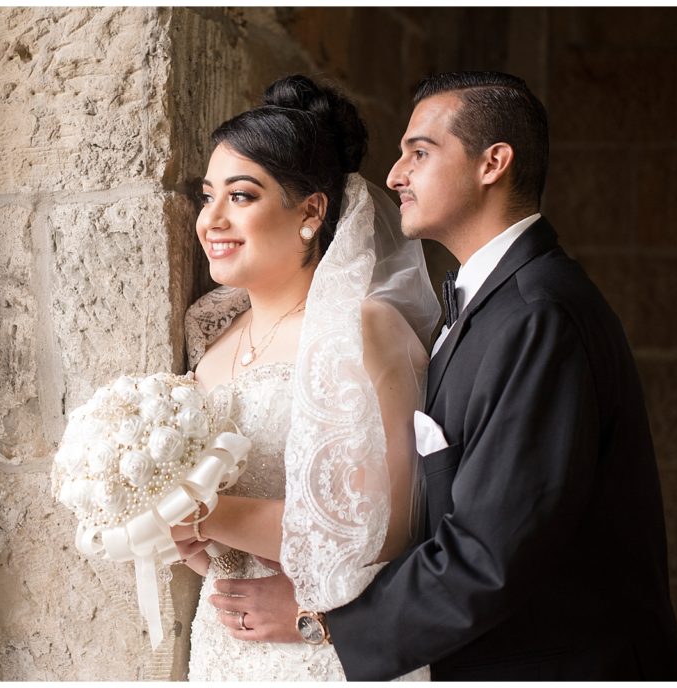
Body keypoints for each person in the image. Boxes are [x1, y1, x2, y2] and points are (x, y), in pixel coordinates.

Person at [215, 71, 677, 680]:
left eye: (420, 152)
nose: (394, 175)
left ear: (493, 163)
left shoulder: (540, 316)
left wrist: (324, 622)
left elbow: (490, 551)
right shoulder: (490, 304)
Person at [172, 75, 440, 681]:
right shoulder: (211, 345)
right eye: (206, 195)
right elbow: (237, 546)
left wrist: (197, 514)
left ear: (311, 211)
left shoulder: (361, 329)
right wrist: (199, 548)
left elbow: (378, 531)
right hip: (224, 654)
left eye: (241, 196)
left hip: (324, 654)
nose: (211, 218)